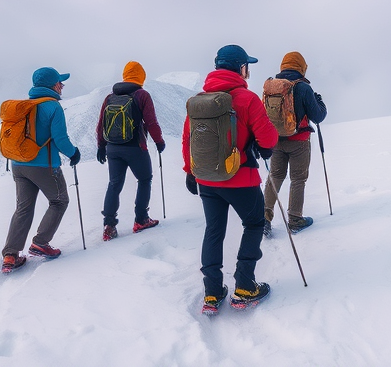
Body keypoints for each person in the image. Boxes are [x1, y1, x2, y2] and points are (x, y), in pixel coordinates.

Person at [182, 45, 279, 313]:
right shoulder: (246, 99)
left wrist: (189, 171)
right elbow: (269, 138)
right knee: (254, 223)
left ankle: (212, 293)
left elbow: (188, 139)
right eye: (247, 65)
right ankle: (245, 286)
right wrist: (264, 146)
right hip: (241, 179)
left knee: (214, 230)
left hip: (207, 180)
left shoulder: (199, 100)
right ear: (240, 68)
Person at [2, 67, 81, 274]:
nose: (62, 86)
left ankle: (11, 254)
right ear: (53, 85)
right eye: (60, 82)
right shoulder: (52, 107)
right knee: (59, 201)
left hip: (18, 165)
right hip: (43, 166)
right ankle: (40, 242)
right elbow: (60, 139)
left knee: (23, 208)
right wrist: (73, 154)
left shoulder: (25, 105)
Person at [95, 61, 166, 241]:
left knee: (114, 184)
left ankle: (109, 226)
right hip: (135, 147)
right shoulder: (142, 95)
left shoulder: (110, 97)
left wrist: (101, 146)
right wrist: (159, 141)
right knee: (144, 179)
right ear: (141, 76)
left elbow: (101, 124)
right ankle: (141, 219)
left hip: (112, 148)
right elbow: (151, 123)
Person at [262, 51, 327, 236]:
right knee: (298, 179)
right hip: (298, 141)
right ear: (301, 67)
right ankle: (295, 219)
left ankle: (264, 218)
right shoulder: (303, 88)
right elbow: (318, 116)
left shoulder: (271, 87)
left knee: (275, 176)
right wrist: (320, 102)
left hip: (275, 141)